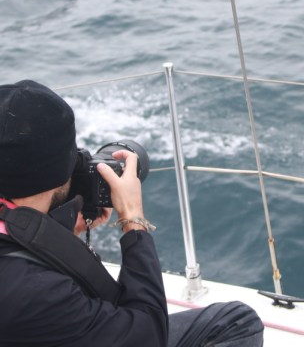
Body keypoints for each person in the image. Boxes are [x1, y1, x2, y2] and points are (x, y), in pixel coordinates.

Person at [0, 80, 264, 347]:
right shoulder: (37, 290)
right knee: (237, 322)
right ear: (56, 174)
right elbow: (148, 335)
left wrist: (56, 237)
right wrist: (132, 219)